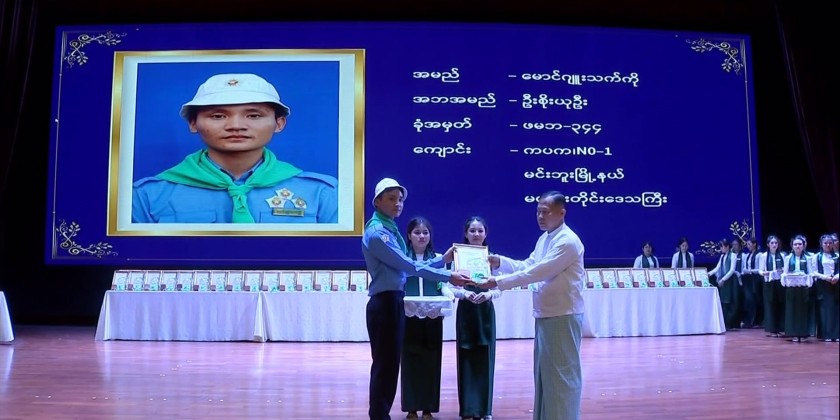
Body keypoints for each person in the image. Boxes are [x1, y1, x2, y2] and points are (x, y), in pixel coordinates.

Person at [132, 73, 338, 224]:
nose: (236, 126)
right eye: (218, 116)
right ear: (193, 123)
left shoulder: (322, 193)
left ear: (279, 123)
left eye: (254, 115)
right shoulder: (146, 196)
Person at [361, 177, 471, 420]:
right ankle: (379, 416)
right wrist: (448, 275)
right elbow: (409, 266)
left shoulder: (388, 229)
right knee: (385, 366)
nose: (397, 204)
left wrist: (442, 260)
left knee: (389, 365)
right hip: (385, 303)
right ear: (377, 201)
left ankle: (380, 415)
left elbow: (405, 269)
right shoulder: (379, 233)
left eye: (400, 199)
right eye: (391, 199)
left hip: (392, 300)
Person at [478, 191, 585, 420]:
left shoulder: (568, 241)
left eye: (545, 212)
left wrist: (497, 282)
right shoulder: (545, 238)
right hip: (546, 314)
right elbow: (527, 265)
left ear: (561, 213)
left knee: (562, 378)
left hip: (562, 315)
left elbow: (538, 272)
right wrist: (500, 262)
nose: (540, 216)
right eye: (538, 212)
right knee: (546, 377)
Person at [400, 216, 455, 420]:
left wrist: (448, 294)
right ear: (409, 235)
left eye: (425, 232)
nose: (421, 236)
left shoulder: (439, 258)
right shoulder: (402, 259)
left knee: (432, 360)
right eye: (417, 232)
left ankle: (428, 408)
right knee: (410, 360)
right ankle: (411, 407)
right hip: (409, 313)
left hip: (433, 313)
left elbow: (443, 284)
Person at [451, 216, 501, 420]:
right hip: (466, 310)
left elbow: (500, 287)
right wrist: (464, 294)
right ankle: (468, 410)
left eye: (480, 230)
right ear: (466, 233)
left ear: (486, 233)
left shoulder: (493, 259)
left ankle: (484, 410)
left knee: (485, 358)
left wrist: (488, 295)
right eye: (472, 230)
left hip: (485, 312)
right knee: (466, 357)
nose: (476, 234)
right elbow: (450, 286)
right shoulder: (457, 257)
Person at [811, 233, 839, 342]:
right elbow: (814, 272)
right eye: (825, 243)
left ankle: (836, 334)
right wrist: (825, 277)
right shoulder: (817, 256)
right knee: (824, 309)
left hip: (835, 284)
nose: (828, 245)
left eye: (830, 243)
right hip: (822, 284)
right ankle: (825, 334)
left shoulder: (837, 256)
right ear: (821, 244)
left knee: (835, 309)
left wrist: (837, 276)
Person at [757, 235, 786, 337]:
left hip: (780, 282)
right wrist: (763, 273)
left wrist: (782, 270)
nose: (774, 245)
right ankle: (772, 329)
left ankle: (781, 328)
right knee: (770, 305)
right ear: (768, 244)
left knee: (780, 304)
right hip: (769, 282)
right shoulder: (763, 256)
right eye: (772, 243)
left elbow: (785, 269)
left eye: (776, 243)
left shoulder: (782, 255)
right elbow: (760, 270)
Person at [708, 239, 740, 329]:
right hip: (724, 281)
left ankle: (731, 323)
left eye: (722, 246)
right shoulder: (722, 256)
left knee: (731, 302)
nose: (721, 248)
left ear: (727, 246)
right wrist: (708, 274)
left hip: (731, 280)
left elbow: (732, 270)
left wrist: (723, 279)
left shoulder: (733, 255)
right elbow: (717, 268)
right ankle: (725, 323)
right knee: (724, 302)